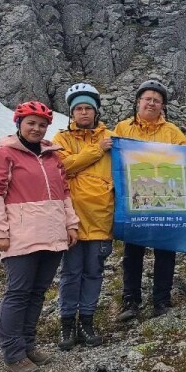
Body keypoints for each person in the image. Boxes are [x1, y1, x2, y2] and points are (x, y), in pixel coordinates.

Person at [0, 101, 80, 372]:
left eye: (42, 124)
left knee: (37, 293)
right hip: (21, 238)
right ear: (19, 124)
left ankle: (28, 344)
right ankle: (13, 353)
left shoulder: (53, 157)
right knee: (18, 293)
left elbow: (65, 195)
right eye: (31, 123)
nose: (36, 128)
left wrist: (71, 225)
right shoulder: (3, 155)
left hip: (53, 235)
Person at [114, 79, 186, 320]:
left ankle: (161, 299)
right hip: (134, 202)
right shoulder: (123, 129)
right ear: (138, 101)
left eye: (157, 100)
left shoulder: (172, 132)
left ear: (163, 106)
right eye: (147, 99)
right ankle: (130, 301)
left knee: (165, 252)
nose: (152, 103)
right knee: (132, 252)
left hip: (165, 201)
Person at [52, 84, 114, 350]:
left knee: (94, 273)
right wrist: (97, 151)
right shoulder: (61, 138)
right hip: (73, 221)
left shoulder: (111, 137)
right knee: (70, 273)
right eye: (79, 108)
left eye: (88, 108)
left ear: (96, 111)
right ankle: (67, 324)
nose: (84, 112)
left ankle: (87, 321)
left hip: (101, 217)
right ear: (71, 113)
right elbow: (62, 167)